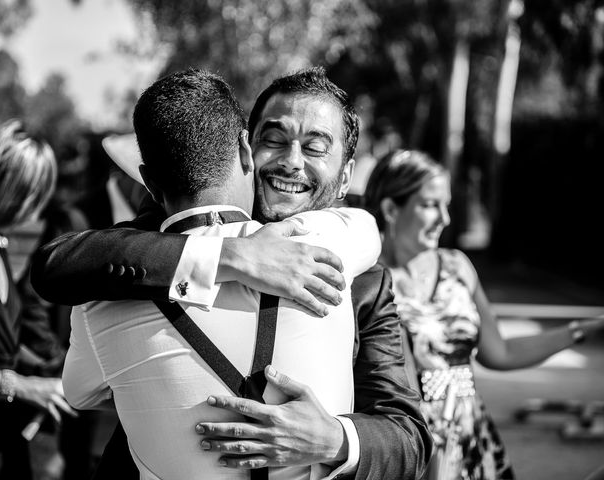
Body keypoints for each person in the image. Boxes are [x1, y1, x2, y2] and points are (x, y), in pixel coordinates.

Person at [32, 67, 432, 480]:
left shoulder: (364, 277)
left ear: (346, 175)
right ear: (245, 148)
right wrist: (232, 256)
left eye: (314, 148)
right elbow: (60, 264)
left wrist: (334, 438)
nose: (291, 162)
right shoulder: (160, 233)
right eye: (274, 140)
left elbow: (408, 438)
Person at [363, 149, 604, 480]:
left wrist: (582, 331)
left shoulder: (457, 266)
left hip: (473, 438)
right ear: (391, 208)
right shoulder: (372, 283)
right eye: (430, 204)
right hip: (413, 444)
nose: (445, 219)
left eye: (446, 204)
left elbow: (499, 352)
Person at [0, 119, 75, 480]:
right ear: (8, 188)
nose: (37, 210)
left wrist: (53, 375)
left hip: (2, 435)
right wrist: (22, 386)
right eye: (34, 195)